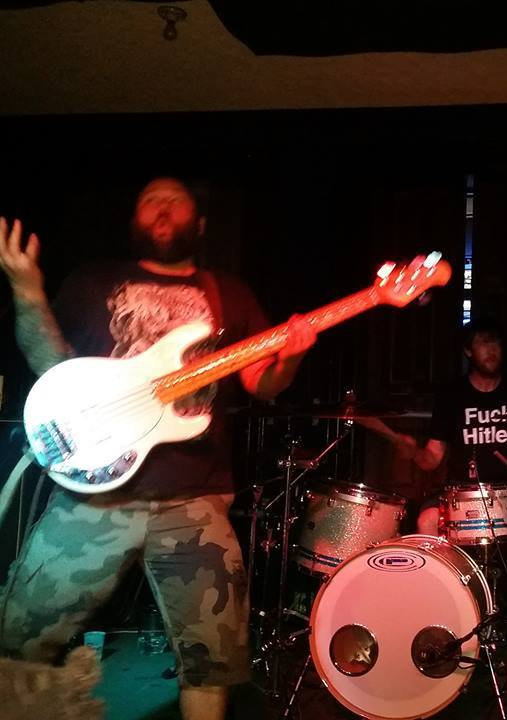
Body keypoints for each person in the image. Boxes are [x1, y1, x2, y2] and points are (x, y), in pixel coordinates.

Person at [0, 177, 318, 720]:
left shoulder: (229, 293)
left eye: (177, 199)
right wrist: (26, 291)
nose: (163, 207)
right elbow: (49, 362)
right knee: (18, 637)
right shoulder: (92, 280)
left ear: (200, 224)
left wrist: (290, 357)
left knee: (212, 662)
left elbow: (261, 382)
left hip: (196, 497)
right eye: (150, 199)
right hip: (94, 491)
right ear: (134, 218)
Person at [395, 318, 507, 667]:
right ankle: (447, 629)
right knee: (426, 521)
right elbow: (433, 457)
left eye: (497, 342)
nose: (492, 349)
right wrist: (411, 450)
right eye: (484, 342)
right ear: (468, 350)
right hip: (460, 493)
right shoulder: (451, 395)